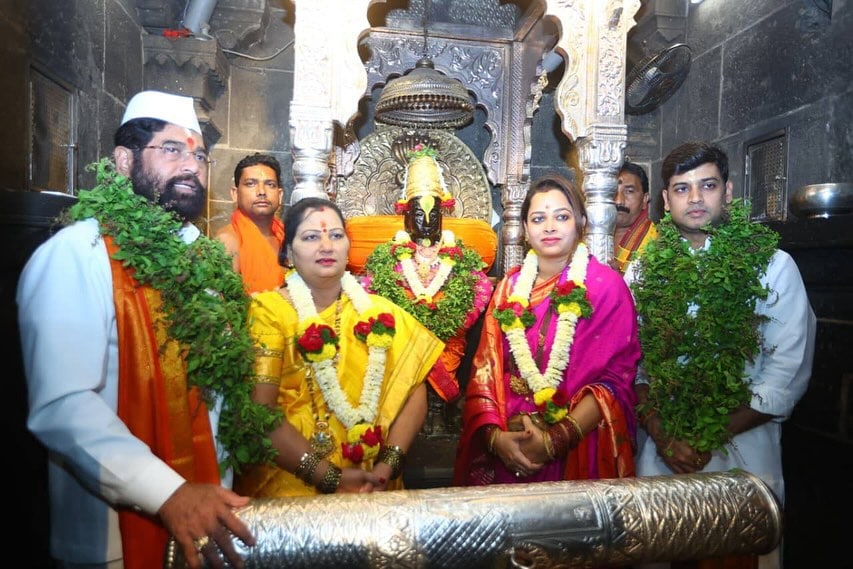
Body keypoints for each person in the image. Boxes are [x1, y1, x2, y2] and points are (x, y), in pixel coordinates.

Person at [17, 91, 280, 569]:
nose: (191, 165)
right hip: (113, 538)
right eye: (172, 149)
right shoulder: (80, 252)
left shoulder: (200, 260)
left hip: (206, 519)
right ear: (123, 161)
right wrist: (170, 493)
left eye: (199, 155)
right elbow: (63, 405)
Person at [625, 142, 816, 569]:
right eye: (681, 188)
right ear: (665, 200)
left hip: (743, 453)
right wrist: (663, 436)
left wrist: (708, 437)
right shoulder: (641, 271)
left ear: (727, 192)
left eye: (707, 186)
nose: (695, 198)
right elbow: (632, 367)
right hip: (663, 455)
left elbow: (786, 373)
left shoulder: (771, 266)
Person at [233, 197, 445, 497]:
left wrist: (386, 467)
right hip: (292, 488)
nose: (326, 245)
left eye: (336, 235)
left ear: (348, 248)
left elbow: (414, 391)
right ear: (289, 254)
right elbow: (259, 413)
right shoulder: (267, 312)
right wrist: (329, 477)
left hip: (374, 487)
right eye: (311, 237)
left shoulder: (380, 313)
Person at [453, 174, 640, 487]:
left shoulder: (606, 287)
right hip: (509, 447)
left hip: (578, 450)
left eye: (562, 217)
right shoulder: (508, 289)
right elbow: (484, 370)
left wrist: (555, 440)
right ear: (525, 230)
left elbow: (615, 381)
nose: (550, 227)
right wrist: (496, 438)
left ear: (581, 221)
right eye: (538, 218)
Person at [362, 144, 493, 409]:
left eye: (434, 214)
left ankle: (438, 411)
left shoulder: (460, 254)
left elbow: (481, 290)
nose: (427, 222)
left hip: (448, 339)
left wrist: (447, 322)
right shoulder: (388, 255)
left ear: (443, 215)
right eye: (419, 214)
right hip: (401, 341)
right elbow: (370, 290)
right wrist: (407, 325)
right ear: (406, 216)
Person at [215, 153, 285, 293]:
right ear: (235, 194)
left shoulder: (287, 236)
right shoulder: (228, 241)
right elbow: (221, 307)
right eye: (251, 184)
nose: (261, 192)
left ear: (280, 195)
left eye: (270, 185)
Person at [610, 160, 658, 274]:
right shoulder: (583, 236)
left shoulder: (657, 243)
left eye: (629, 191)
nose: (619, 201)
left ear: (644, 200)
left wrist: (619, 283)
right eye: (612, 191)